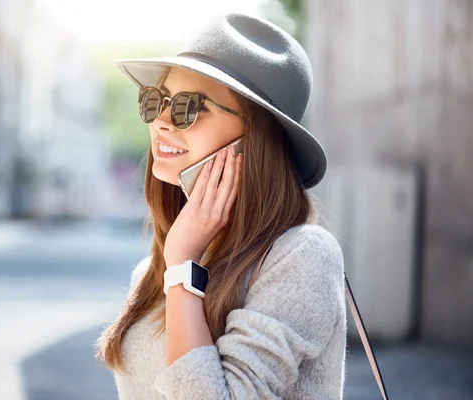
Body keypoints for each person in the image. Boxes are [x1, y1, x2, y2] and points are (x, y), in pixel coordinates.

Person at [95, 12, 346, 400]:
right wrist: (179, 264)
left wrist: (183, 270)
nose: (161, 121)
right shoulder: (152, 271)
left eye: (189, 107)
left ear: (256, 137)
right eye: (155, 101)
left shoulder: (303, 256)